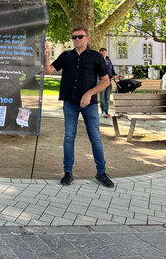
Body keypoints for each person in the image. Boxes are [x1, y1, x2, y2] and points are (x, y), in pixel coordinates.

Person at [45, 27, 114, 188]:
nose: (76, 39)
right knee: (69, 137)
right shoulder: (66, 56)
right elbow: (48, 70)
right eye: (74, 37)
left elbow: (105, 81)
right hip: (70, 102)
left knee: (95, 138)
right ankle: (68, 172)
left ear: (87, 39)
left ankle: (101, 172)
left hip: (89, 105)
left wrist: (90, 93)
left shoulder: (96, 57)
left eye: (80, 37)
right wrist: (46, 53)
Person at [98, 48, 119, 118]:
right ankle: (103, 111)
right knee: (102, 97)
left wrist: (115, 75)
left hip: (109, 81)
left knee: (107, 97)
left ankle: (106, 111)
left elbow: (111, 69)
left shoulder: (108, 60)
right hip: (101, 81)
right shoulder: (97, 61)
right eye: (102, 53)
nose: (103, 54)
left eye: (104, 53)